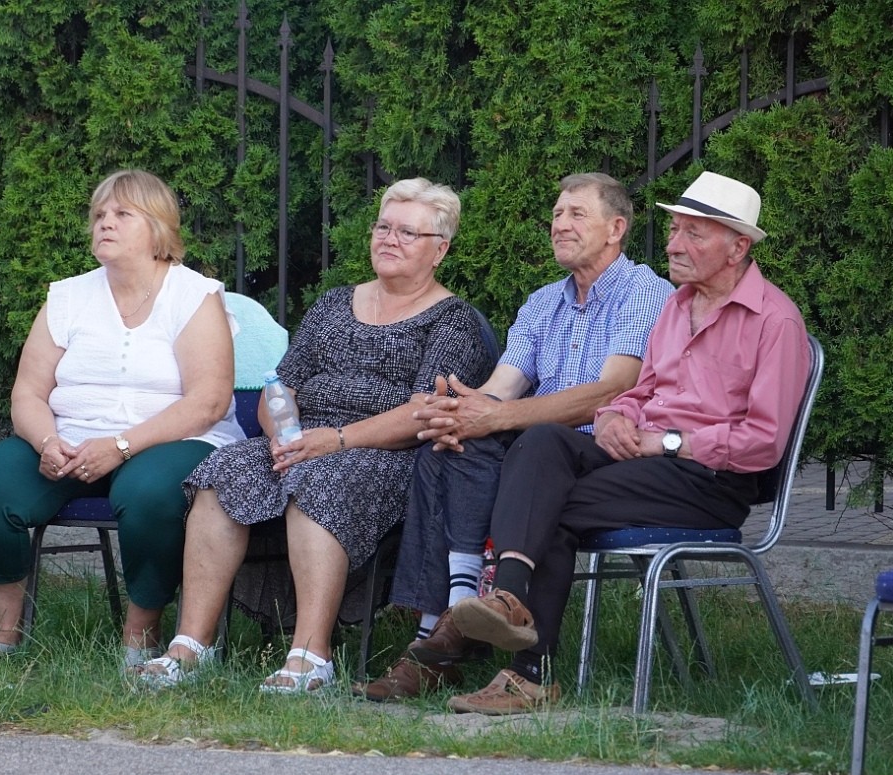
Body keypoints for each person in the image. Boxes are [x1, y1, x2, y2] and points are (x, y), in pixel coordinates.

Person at [426, 171, 811, 714]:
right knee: (542, 443)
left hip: (711, 480)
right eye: (675, 229)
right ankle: (510, 599)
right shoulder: (677, 307)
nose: (674, 244)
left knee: (551, 506)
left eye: (694, 234)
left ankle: (528, 674)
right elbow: (640, 390)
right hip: (641, 460)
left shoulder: (775, 321)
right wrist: (613, 417)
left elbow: (763, 443)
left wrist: (668, 442)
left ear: (738, 246)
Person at [134, 177, 496, 692]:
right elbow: (281, 383)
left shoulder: (453, 320)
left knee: (320, 480)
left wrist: (337, 439)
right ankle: (191, 645)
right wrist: (283, 435)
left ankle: (310, 655)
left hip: (383, 453)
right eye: (383, 227)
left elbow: (425, 412)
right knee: (222, 471)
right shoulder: (332, 305)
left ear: (440, 250)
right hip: (301, 441)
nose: (389, 239)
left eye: (407, 233)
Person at [354, 172, 672, 702]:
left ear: (616, 228)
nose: (560, 224)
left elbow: (611, 391)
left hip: (605, 454)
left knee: (523, 440)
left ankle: (446, 639)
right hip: (537, 455)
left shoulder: (645, 292)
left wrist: (491, 417)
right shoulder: (543, 302)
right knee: (447, 445)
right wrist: (456, 411)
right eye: (556, 214)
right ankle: (447, 623)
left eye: (576, 214)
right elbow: (501, 389)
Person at [0, 169, 243, 669]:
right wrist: (47, 441)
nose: (104, 224)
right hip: (70, 439)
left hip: (172, 438)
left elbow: (209, 401)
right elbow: (27, 391)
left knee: (149, 493)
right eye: (99, 215)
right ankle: (5, 631)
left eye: (121, 214)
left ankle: (142, 633)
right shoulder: (68, 296)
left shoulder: (193, 295)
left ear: (157, 228)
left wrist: (121, 445)